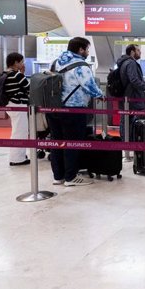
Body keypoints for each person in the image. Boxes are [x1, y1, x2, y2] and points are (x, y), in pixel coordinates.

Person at [46, 37, 103, 187]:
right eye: (87, 49)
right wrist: (100, 95)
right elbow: (89, 85)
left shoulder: (56, 62)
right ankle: (71, 177)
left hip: (53, 108)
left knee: (57, 142)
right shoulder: (81, 66)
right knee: (73, 143)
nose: (87, 52)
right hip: (73, 109)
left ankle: (58, 176)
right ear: (81, 49)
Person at [116, 44, 145, 138]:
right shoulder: (131, 63)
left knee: (125, 121)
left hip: (126, 97)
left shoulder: (123, 63)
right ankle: (128, 143)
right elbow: (134, 80)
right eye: (138, 50)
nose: (140, 52)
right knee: (130, 122)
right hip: (133, 97)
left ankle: (125, 142)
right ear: (132, 52)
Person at [4, 52, 30, 166]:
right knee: (20, 132)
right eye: (21, 61)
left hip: (10, 105)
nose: (23, 64)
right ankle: (17, 159)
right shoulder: (17, 75)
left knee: (17, 130)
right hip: (18, 106)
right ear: (16, 63)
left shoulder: (6, 74)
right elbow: (29, 88)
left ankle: (18, 155)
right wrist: (23, 74)